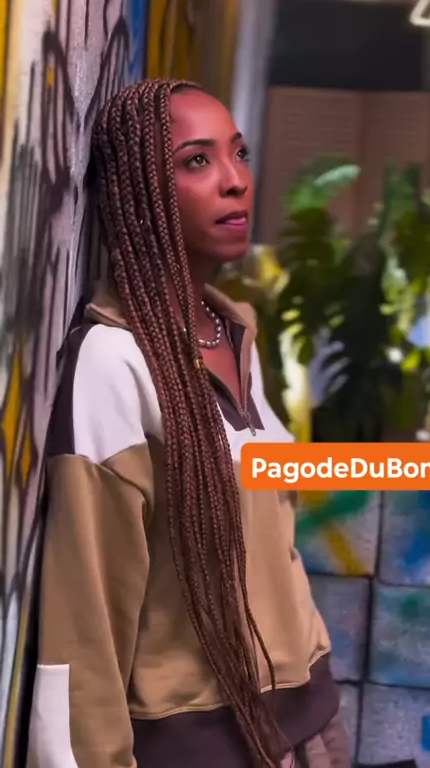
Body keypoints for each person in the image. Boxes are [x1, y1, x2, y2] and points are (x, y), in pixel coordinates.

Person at [27, 79, 350, 768]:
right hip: (201, 746)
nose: (235, 180)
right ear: (138, 192)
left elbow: (265, 505)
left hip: (308, 722)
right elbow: (84, 613)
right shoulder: (114, 362)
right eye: (197, 160)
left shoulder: (234, 332)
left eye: (239, 152)